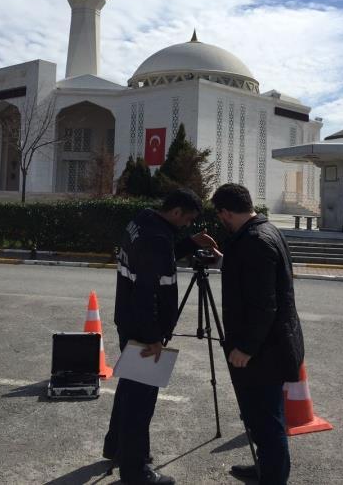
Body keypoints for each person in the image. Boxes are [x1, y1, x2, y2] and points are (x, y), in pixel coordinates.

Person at [103, 188, 217, 485]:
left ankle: (117, 447)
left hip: (128, 320)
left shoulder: (143, 221)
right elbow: (148, 291)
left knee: (129, 389)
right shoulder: (156, 237)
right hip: (143, 329)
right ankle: (135, 470)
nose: (186, 225)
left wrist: (189, 244)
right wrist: (154, 337)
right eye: (187, 220)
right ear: (176, 211)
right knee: (141, 402)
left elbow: (153, 259)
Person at [211, 183, 304, 485]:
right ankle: (265, 467)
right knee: (260, 416)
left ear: (226, 212)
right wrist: (225, 259)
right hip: (270, 345)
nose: (220, 221)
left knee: (267, 419)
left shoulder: (255, 242)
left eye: (220, 215)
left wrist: (246, 348)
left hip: (264, 350)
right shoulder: (264, 231)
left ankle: (273, 478)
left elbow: (265, 305)